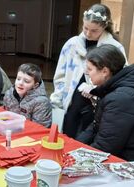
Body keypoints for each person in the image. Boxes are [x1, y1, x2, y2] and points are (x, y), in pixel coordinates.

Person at [77, 44, 134, 173]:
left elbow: (106, 145)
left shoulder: (122, 98)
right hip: (124, 160)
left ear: (105, 71)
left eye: (90, 69)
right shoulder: (114, 89)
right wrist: (75, 145)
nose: (86, 73)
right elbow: (96, 127)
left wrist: (77, 159)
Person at [50, 3, 126, 139]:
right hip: (73, 101)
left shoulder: (115, 48)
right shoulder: (72, 44)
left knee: (89, 140)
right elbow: (60, 75)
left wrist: (96, 89)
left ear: (104, 26)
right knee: (68, 137)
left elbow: (120, 79)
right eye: (85, 28)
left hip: (98, 104)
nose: (88, 33)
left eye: (94, 30)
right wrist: (58, 99)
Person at [3, 63, 52, 128]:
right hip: (11, 129)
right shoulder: (9, 93)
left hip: (30, 135)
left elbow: (40, 128)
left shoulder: (41, 102)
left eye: (26, 81)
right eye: (18, 79)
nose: (20, 83)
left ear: (35, 85)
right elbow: (4, 115)